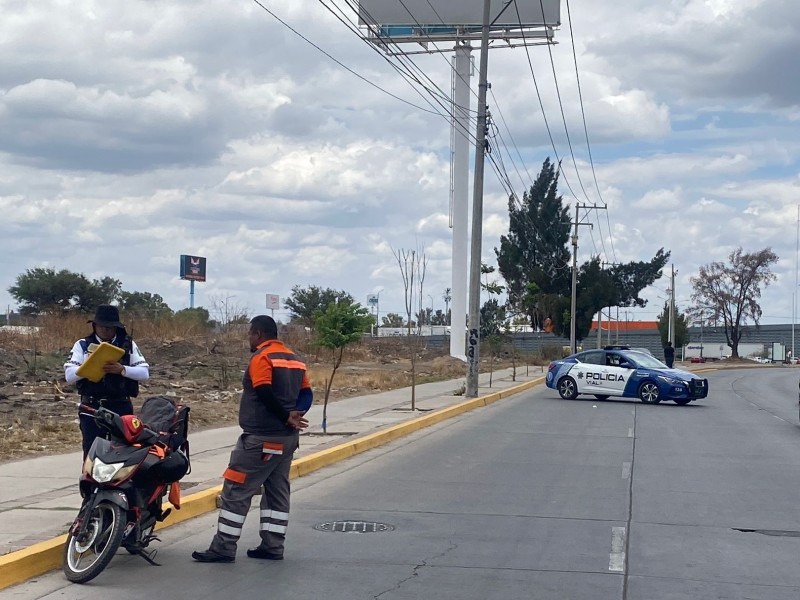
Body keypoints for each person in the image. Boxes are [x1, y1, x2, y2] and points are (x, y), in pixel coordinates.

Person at [192, 315, 311, 564]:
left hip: (262, 439)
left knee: (235, 489)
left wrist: (286, 416)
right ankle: (273, 546)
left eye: (249, 333)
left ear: (257, 334)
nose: (249, 338)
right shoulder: (295, 359)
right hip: (287, 440)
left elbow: (263, 390)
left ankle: (223, 547)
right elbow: (306, 393)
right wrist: (296, 415)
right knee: (277, 492)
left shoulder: (262, 357)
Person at [64, 305, 150, 457]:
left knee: (123, 452)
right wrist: (89, 365)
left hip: (120, 406)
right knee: (92, 453)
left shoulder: (128, 345)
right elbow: (69, 376)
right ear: (94, 325)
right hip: (93, 408)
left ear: (116, 328)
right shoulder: (82, 345)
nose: (105, 330)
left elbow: (144, 373)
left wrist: (122, 369)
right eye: (101, 326)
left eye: (110, 327)